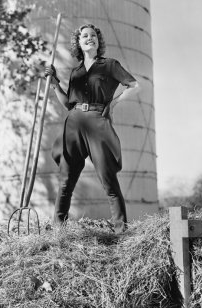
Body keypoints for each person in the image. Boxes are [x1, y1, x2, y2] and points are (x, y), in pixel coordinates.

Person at [45, 23, 139, 233]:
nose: (90, 38)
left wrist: (113, 103)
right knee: (65, 181)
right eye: (85, 36)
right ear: (78, 43)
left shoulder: (109, 65)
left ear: (98, 41)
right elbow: (69, 104)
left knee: (108, 180)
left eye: (94, 36)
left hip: (98, 120)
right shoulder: (75, 72)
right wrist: (54, 84)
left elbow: (134, 85)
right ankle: (58, 230)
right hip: (75, 122)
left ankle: (121, 231)